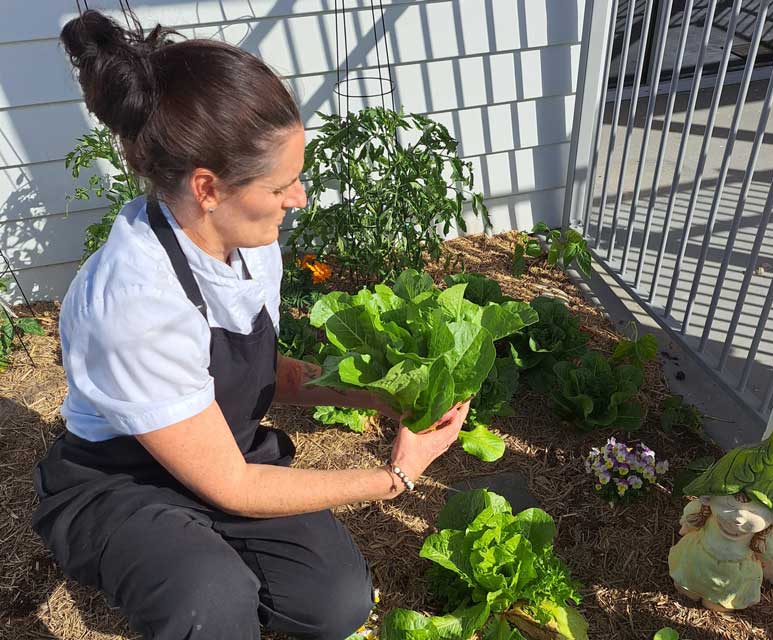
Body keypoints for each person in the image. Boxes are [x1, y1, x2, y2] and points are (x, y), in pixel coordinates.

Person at [32, 10, 470, 640]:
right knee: (211, 606)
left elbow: (267, 374)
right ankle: (152, 553)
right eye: (283, 184)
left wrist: (380, 395)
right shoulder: (134, 305)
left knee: (337, 602)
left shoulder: (249, 242)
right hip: (122, 480)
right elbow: (233, 485)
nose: (299, 199)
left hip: (223, 448)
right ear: (208, 187)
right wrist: (394, 478)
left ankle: (194, 550)